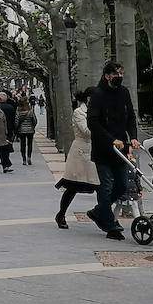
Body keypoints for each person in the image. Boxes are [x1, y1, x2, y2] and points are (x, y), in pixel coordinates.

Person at [86, 61, 138, 242]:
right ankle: (110, 224)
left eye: (122, 73)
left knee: (122, 185)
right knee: (106, 186)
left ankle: (99, 211)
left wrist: (132, 137)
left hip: (121, 148)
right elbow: (93, 123)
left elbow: (131, 116)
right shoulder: (97, 95)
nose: (120, 76)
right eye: (116, 73)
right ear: (107, 75)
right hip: (103, 148)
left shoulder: (124, 93)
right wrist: (110, 140)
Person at [55, 91, 99, 228]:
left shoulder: (100, 110)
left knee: (101, 185)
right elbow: (86, 131)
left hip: (96, 151)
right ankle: (61, 214)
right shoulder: (79, 112)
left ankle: (103, 214)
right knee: (73, 186)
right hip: (81, 152)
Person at [16, 101, 38, 166]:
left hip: (21, 130)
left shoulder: (18, 112)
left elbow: (16, 122)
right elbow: (35, 120)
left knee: (23, 144)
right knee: (30, 144)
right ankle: (29, 157)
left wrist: (17, 128)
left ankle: (24, 159)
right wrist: (32, 126)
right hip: (30, 130)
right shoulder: (30, 112)